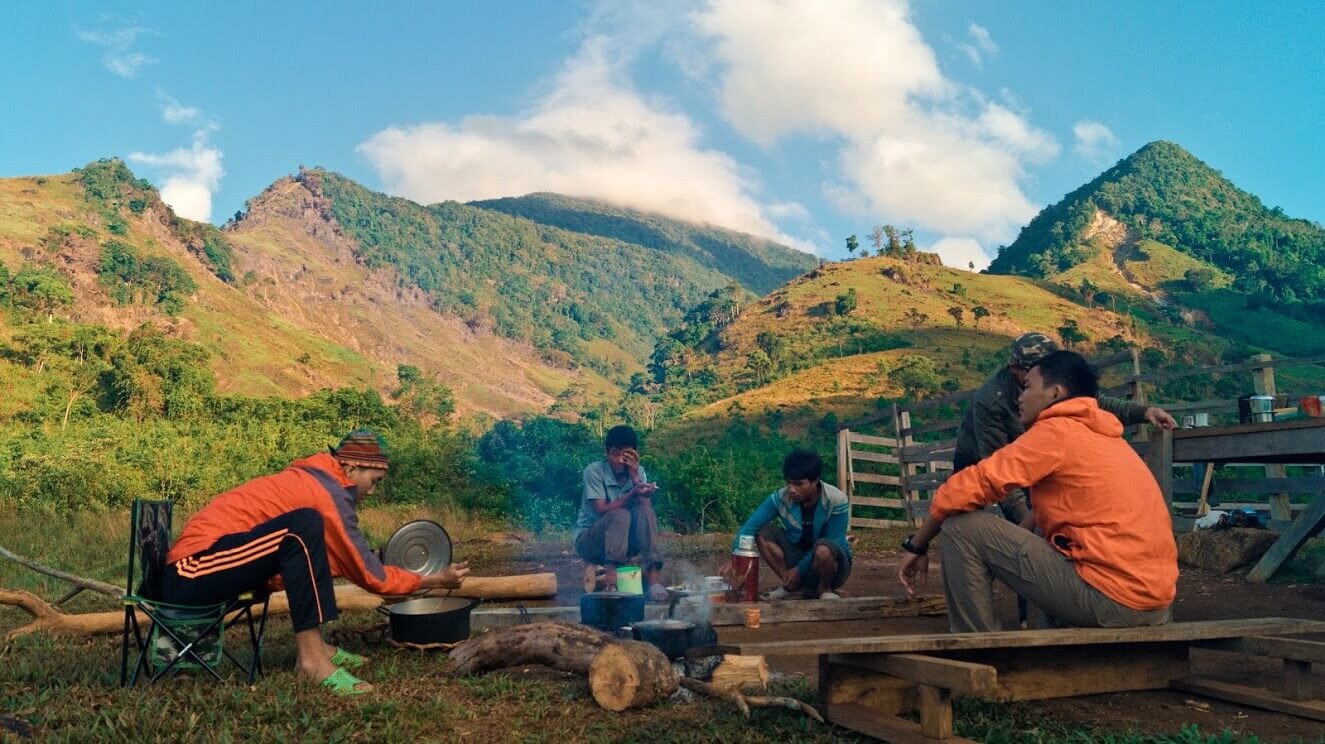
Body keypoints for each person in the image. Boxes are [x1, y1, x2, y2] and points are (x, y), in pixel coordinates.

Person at [162, 430, 470, 695]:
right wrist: (435, 580)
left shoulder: (318, 482)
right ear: (351, 468)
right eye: (374, 480)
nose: (374, 491)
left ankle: (319, 648)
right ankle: (311, 661)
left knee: (309, 534)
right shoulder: (326, 493)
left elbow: (342, 560)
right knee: (304, 525)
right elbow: (369, 576)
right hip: (191, 571)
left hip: (213, 567)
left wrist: (385, 564)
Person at [898, 351, 1179, 632]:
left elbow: (965, 488)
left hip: (1112, 600)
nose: (1020, 396)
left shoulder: (1055, 432)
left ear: (1055, 393)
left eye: (1029, 386)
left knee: (962, 526)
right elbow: (1042, 511)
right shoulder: (1105, 438)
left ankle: (980, 654)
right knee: (1041, 533)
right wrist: (999, 550)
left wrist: (917, 544)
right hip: (1154, 603)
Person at [953, 332, 1177, 525]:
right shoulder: (991, 400)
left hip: (1030, 452)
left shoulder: (1057, 381)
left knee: (1042, 517)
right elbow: (996, 470)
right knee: (964, 518)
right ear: (1015, 369)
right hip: (979, 455)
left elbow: (1095, 402)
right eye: (1035, 369)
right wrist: (1025, 529)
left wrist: (1144, 412)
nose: (1047, 372)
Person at [732, 449, 852, 600]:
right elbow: (749, 527)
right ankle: (790, 586)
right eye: (789, 483)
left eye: (799, 484)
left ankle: (824, 589)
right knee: (762, 533)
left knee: (823, 549)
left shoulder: (836, 499)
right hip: (796, 555)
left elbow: (834, 540)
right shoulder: (780, 497)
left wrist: (798, 570)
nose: (792, 489)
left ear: (815, 481)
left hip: (830, 565)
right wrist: (735, 559)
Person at [574, 425, 667, 602]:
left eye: (625, 456)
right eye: (615, 454)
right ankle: (611, 582)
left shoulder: (638, 472)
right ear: (607, 452)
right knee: (620, 514)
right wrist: (632, 493)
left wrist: (636, 479)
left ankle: (654, 580)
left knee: (644, 511)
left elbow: (646, 510)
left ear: (634, 455)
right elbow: (601, 510)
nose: (619, 460)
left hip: (623, 543)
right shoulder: (593, 471)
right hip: (590, 541)